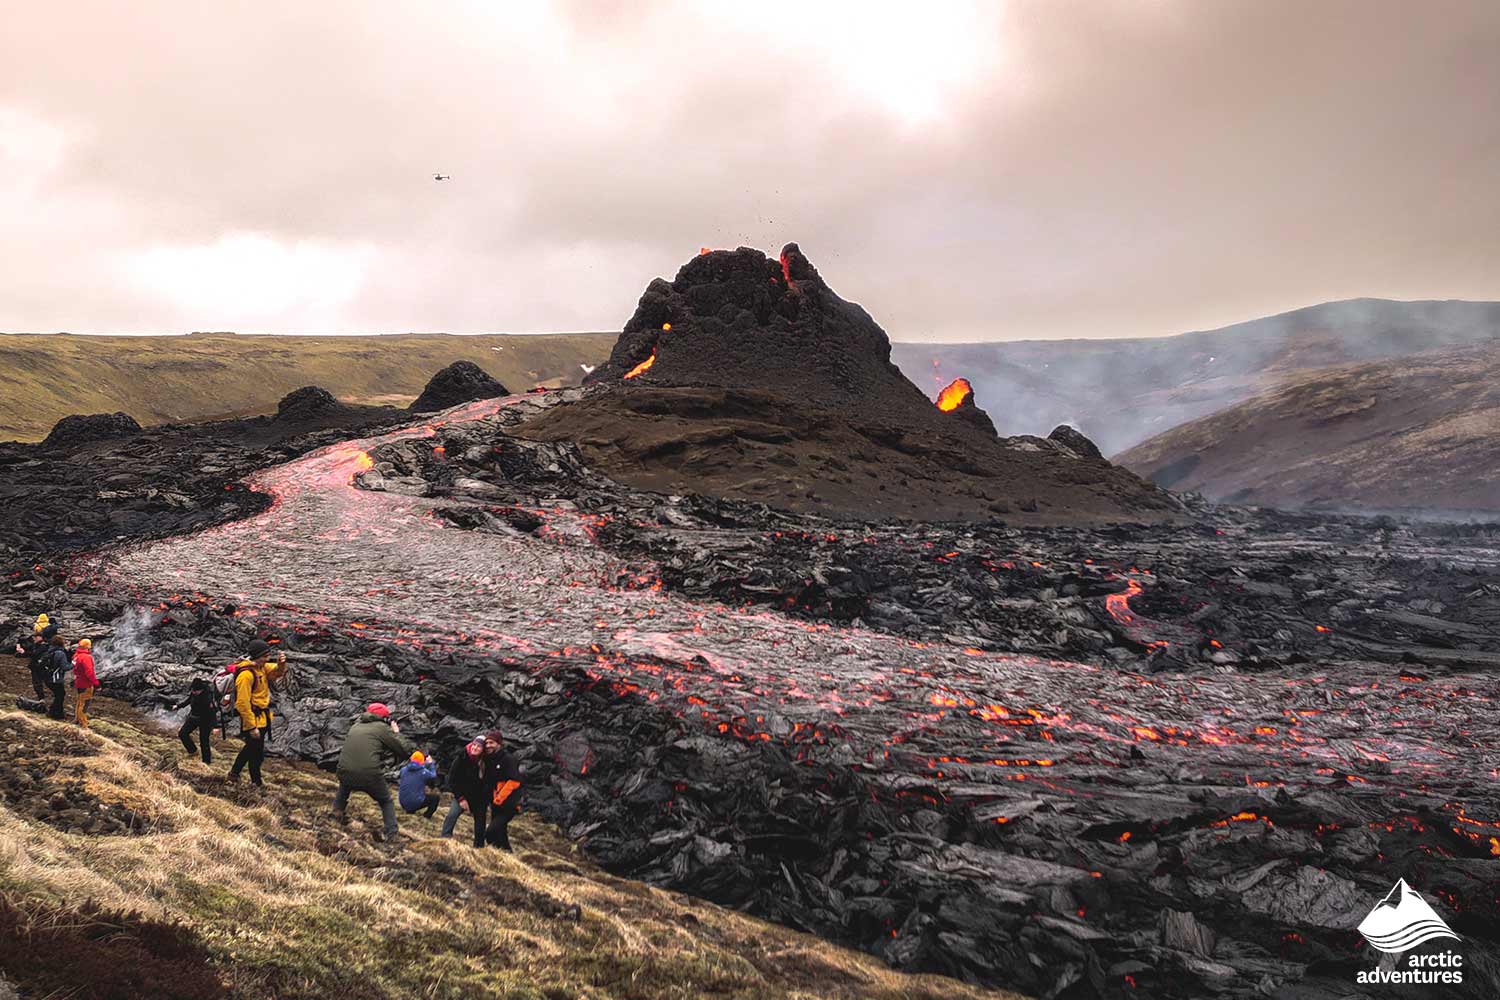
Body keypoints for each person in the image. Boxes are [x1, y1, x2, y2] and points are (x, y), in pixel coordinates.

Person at [333, 702, 415, 842]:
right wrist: (396, 732)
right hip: (369, 775)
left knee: (345, 786)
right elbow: (405, 749)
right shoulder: (382, 728)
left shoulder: (356, 726)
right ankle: (392, 834)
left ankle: (336, 813)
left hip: (343, 770)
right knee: (386, 801)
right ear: (384, 718)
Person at [227, 639, 289, 787]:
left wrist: (281, 664)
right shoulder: (246, 675)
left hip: (262, 718)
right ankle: (256, 783)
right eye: (265, 656)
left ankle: (234, 774)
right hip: (253, 719)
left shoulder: (261, 668)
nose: (268, 659)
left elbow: (277, 673)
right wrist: (251, 727)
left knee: (251, 749)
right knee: (255, 754)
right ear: (256, 656)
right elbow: (242, 703)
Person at [480, 729, 524, 852]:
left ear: (499, 744)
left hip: (509, 804)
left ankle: (499, 854)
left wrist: (499, 798)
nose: (488, 746)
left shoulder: (508, 759)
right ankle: (506, 855)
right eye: (487, 743)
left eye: (491, 743)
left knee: (490, 833)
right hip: (495, 804)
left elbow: (514, 781)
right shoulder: (489, 759)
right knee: (501, 833)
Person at [440, 738, 485, 840]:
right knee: (452, 815)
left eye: (479, 746)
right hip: (461, 795)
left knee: (480, 822)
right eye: (474, 745)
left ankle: (479, 846)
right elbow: (452, 780)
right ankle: (444, 839)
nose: (475, 748)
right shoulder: (461, 758)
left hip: (477, 797)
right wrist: (460, 798)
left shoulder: (485, 762)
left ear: (483, 749)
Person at [175, 677, 218, 763]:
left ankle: (206, 762)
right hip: (194, 717)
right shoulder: (194, 691)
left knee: (204, 742)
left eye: (195, 691)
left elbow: (212, 713)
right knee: (182, 734)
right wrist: (178, 706)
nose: (193, 692)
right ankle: (193, 751)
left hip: (206, 720)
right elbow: (189, 700)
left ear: (201, 690)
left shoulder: (208, 697)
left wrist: (215, 727)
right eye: (193, 691)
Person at [13, 614, 50, 700]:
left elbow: (34, 653)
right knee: (41, 682)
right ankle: (42, 698)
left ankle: (42, 699)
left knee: (38, 682)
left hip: (39, 666)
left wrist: (23, 652)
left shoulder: (42, 645)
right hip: (39, 665)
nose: (34, 638)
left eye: (35, 637)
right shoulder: (48, 627)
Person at [397, 750, 441, 818]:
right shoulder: (423, 772)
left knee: (412, 789)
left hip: (403, 802)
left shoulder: (403, 770)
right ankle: (427, 816)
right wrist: (430, 764)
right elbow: (433, 776)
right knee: (435, 798)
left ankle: (410, 810)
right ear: (422, 761)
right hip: (415, 802)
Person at [41, 626, 71, 720]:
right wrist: (74, 663)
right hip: (55, 679)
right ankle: (54, 713)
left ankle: (58, 713)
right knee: (60, 696)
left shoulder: (50, 650)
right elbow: (65, 667)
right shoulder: (60, 653)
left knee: (59, 695)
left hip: (47, 677)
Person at [71, 638, 99, 728]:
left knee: (80, 701)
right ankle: (83, 723)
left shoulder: (76, 655)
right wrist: (96, 683)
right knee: (85, 703)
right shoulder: (86, 657)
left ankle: (77, 719)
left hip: (78, 681)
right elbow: (89, 672)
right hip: (86, 683)